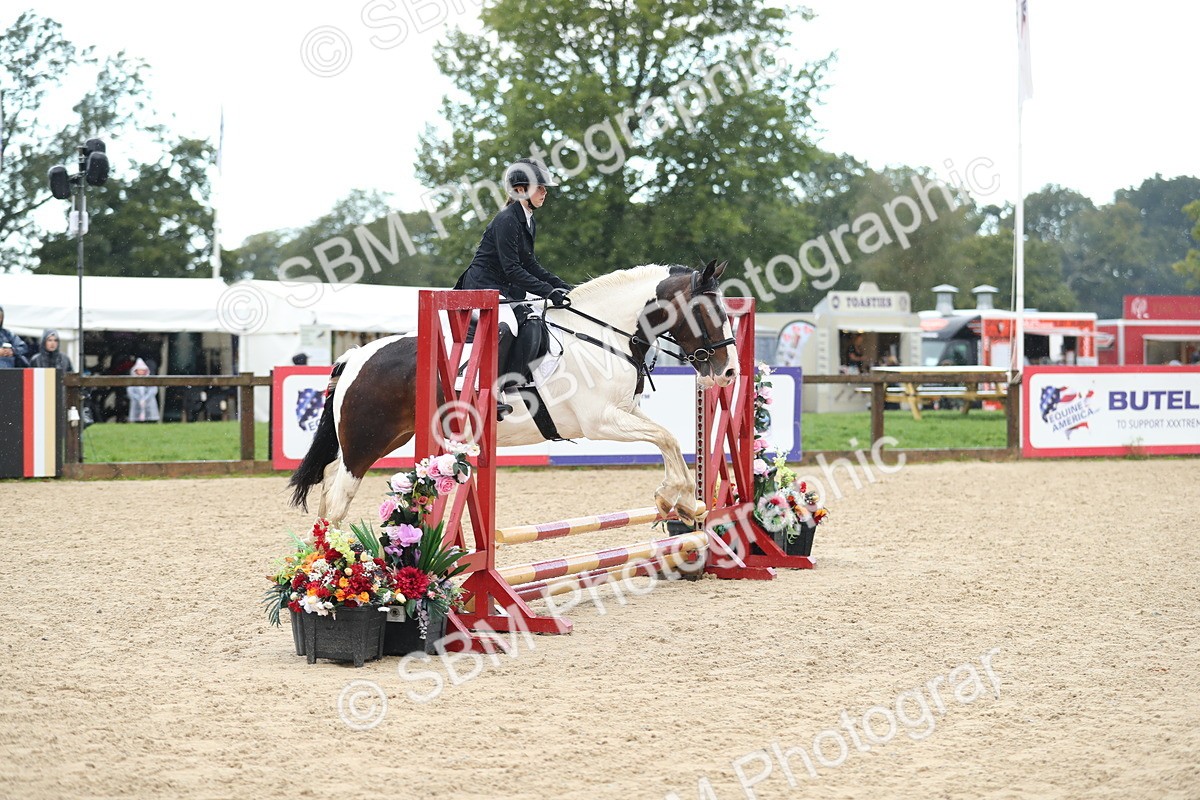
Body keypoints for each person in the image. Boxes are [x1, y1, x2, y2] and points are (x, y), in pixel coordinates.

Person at [454, 157, 573, 419]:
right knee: (508, 326)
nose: (545, 192)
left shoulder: (528, 219)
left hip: (504, 288)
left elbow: (529, 264)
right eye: (539, 187)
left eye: (544, 187)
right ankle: (488, 389)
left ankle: (513, 382)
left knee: (533, 322)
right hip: (482, 287)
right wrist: (547, 291)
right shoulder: (507, 219)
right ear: (520, 190)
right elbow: (512, 269)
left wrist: (560, 286)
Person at [127, 358, 160, 423]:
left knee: (150, 419)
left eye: (143, 370)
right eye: (139, 370)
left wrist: (145, 399)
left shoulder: (150, 380)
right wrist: (139, 399)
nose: (141, 372)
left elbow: (153, 390)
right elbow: (130, 392)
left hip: (149, 404)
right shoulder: (132, 381)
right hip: (137, 403)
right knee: (138, 420)